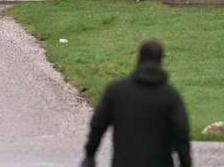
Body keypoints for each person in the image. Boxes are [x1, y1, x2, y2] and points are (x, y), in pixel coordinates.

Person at [82, 39, 191, 167]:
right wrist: (185, 162)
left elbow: (98, 124)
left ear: (139, 59)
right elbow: (181, 131)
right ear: (161, 61)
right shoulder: (170, 96)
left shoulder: (117, 91)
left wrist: (90, 154)